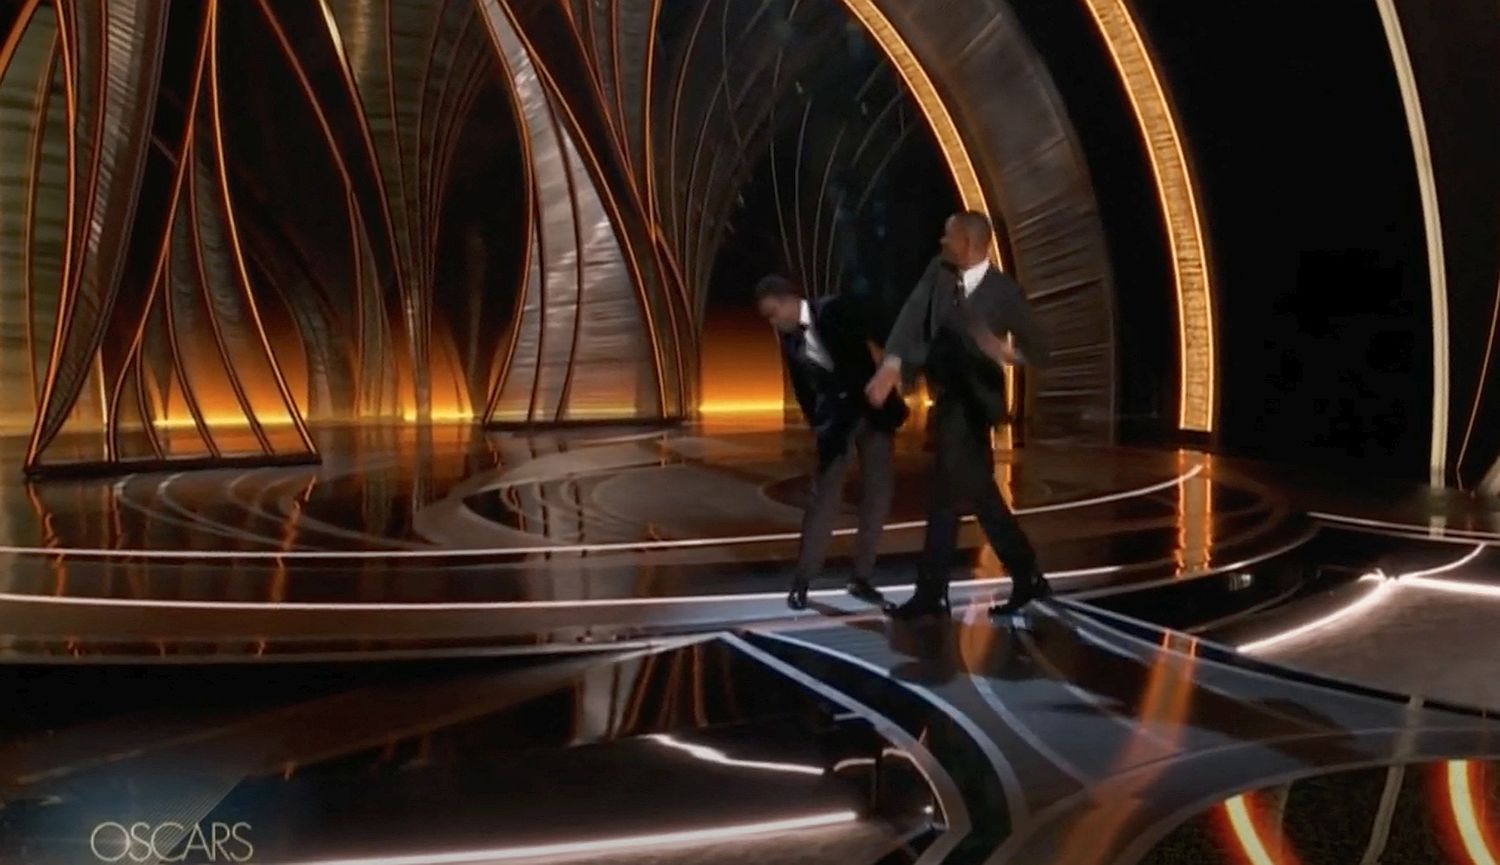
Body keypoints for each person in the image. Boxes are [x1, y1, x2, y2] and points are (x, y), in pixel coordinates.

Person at [863, 211, 1052, 619]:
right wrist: (891, 366)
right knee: (968, 494)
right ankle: (1024, 574)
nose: (941, 241)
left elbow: (1041, 348)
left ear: (968, 242)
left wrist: (1006, 352)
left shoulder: (1004, 292)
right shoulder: (940, 271)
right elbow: (913, 315)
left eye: (948, 236)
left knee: (954, 495)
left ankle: (936, 592)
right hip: (949, 400)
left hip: (976, 405)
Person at [754, 276, 909, 610]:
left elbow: (878, 335)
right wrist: (818, 423)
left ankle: (861, 578)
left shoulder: (834, 310)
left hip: (872, 411)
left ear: (790, 299)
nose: (773, 322)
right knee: (823, 500)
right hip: (835, 426)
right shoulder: (790, 341)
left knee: (877, 496)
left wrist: (889, 372)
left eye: (774, 313)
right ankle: (803, 580)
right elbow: (804, 390)